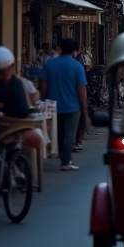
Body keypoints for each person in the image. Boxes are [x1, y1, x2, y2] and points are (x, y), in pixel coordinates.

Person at [0, 46, 45, 168]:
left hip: (10, 127)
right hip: (13, 126)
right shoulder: (15, 83)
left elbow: (2, 105)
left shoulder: (9, 84)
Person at [40, 38, 88, 171]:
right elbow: (82, 89)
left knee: (59, 133)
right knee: (69, 135)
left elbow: (43, 85)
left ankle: (63, 156)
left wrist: (44, 99)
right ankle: (66, 161)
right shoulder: (77, 66)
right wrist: (84, 107)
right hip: (72, 107)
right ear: (74, 50)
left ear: (60, 48)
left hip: (53, 106)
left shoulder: (49, 64)